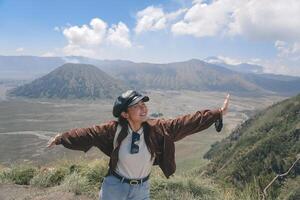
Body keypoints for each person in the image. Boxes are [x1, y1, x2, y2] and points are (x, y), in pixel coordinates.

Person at [47, 90, 230, 200]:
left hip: (142, 189)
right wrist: (61, 138)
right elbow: (86, 134)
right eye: (137, 106)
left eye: (144, 104)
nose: (143, 108)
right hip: (115, 187)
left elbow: (186, 122)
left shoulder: (157, 129)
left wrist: (217, 113)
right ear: (125, 114)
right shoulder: (113, 130)